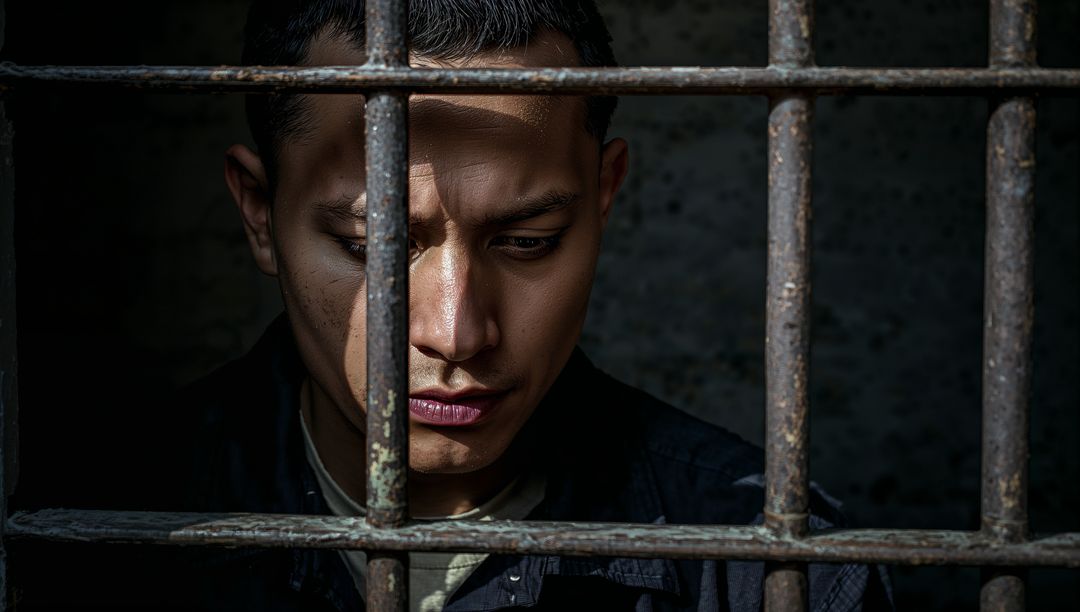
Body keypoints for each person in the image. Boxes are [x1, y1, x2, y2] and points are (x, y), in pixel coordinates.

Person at [178, 0, 895, 609]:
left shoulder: (766, 568)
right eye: (374, 246)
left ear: (604, 196)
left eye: (527, 241)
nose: (455, 333)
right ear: (259, 213)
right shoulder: (107, 523)